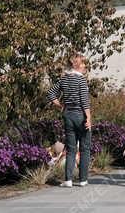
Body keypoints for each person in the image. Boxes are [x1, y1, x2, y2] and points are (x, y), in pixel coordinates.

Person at [46, 53, 92, 188]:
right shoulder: (81, 80)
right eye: (83, 64)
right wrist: (88, 117)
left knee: (71, 149)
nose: (85, 66)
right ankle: (83, 179)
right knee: (85, 148)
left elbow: (50, 93)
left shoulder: (64, 79)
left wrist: (60, 105)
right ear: (77, 65)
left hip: (68, 115)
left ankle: (68, 180)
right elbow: (84, 100)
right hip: (80, 115)